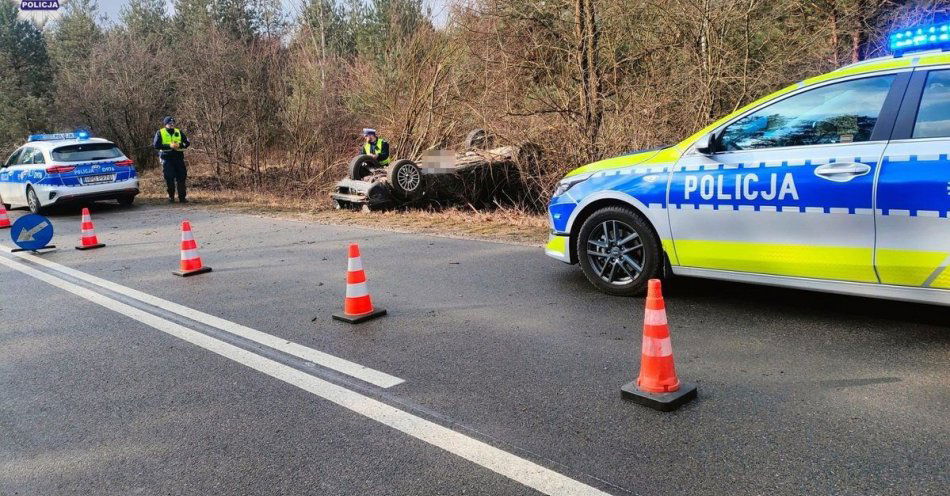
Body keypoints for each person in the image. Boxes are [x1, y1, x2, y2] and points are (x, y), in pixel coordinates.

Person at [153, 116, 191, 203]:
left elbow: (187, 143)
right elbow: (156, 145)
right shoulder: (160, 132)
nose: (172, 124)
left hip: (178, 158)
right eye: (170, 123)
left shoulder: (178, 132)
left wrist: (179, 145)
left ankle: (182, 198)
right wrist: (169, 145)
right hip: (167, 159)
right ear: (166, 124)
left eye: (173, 123)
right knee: (169, 178)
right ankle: (171, 197)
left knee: (181, 177)